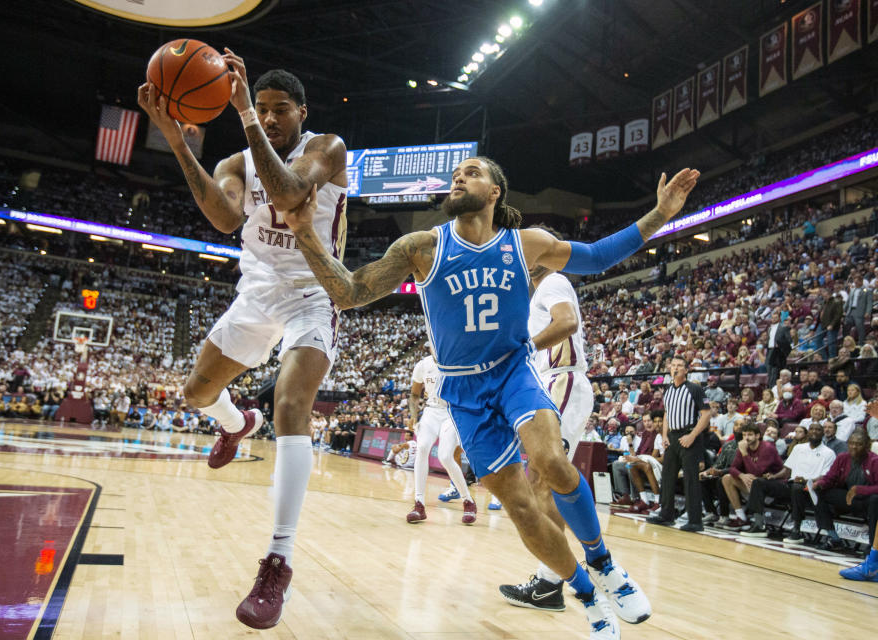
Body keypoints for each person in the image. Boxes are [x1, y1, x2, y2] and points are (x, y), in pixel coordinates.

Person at [283, 156, 699, 638]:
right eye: (456, 172)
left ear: (496, 191)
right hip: (462, 389)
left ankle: (605, 565)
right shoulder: (421, 246)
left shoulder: (526, 244)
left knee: (551, 462)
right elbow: (352, 291)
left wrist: (660, 215)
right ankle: (586, 596)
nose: (459, 176)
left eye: (473, 171)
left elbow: (599, 256)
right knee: (521, 507)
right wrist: (304, 232)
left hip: (513, 371)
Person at [139, 58, 348, 630]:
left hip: (313, 290)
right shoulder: (234, 161)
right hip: (255, 294)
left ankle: (277, 560)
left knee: (290, 405)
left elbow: (288, 190)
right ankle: (234, 423)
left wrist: (244, 114)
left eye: (282, 108)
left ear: (301, 113)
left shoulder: (327, 147)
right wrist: (178, 142)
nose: (272, 116)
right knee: (193, 394)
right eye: (264, 107)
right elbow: (226, 218)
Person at [499, 264, 597, 611]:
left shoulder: (553, 281)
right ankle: (566, 572)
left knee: (546, 479)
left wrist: (525, 348)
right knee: (541, 479)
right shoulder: (531, 300)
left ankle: (551, 581)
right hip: (549, 385)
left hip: (564, 380)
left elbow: (567, 321)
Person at [405, 349, 476, 525]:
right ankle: (419, 504)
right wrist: (413, 416)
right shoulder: (423, 365)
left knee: (445, 456)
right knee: (422, 448)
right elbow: (414, 394)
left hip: (451, 411)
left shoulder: (457, 360)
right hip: (431, 410)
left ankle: (468, 501)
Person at [646, 355, 712, 532]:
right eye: (673, 365)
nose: (675, 368)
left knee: (691, 479)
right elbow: (667, 414)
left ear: (686, 370)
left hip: (689, 435)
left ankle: (695, 520)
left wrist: (692, 435)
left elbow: (706, 414)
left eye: (680, 365)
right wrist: (665, 435)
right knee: (667, 477)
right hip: (673, 438)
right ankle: (666, 514)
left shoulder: (694, 389)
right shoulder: (668, 390)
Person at [742, 422, 835, 539]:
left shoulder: (829, 453)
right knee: (759, 482)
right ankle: (759, 524)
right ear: (808, 433)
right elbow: (787, 470)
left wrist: (806, 480)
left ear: (823, 434)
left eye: (818, 430)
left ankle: (797, 529)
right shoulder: (798, 448)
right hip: (790, 485)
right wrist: (774, 477)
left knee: (797, 487)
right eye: (812, 429)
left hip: (809, 489)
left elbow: (824, 476)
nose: (814, 432)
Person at [808, 430, 878, 551]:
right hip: (848, 498)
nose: (854, 447)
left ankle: (874, 547)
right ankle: (834, 538)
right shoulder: (842, 458)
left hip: (867, 500)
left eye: (858, 444)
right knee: (820, 493)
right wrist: (820, 483)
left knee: (875, 500)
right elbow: (831, 477)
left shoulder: (874, 461)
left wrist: (859, 490)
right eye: (851, 443)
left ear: (867, 446)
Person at [764, 310, 791, 386]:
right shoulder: (769, 329)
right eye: (772, 318)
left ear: (779, 318)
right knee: (769, 369)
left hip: (778, 351)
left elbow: (789, 340)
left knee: (775, 371)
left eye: (776, 317)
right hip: (770, 350)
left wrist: (780, 344)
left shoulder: (783, 327)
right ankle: (770, 385)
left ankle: (774, 386)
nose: (774, 319)